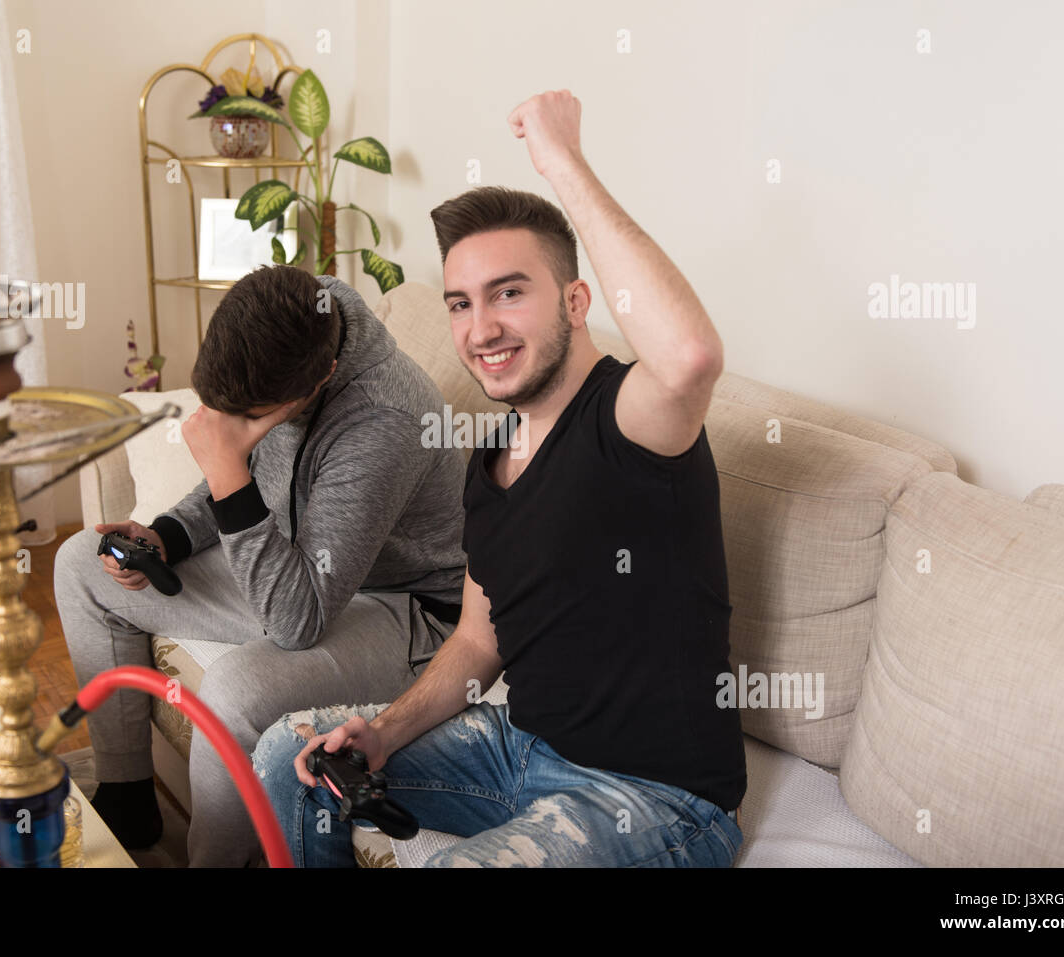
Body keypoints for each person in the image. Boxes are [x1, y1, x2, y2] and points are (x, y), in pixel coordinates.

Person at [252, 90, 747, 867]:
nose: (480, 329)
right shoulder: (487, 458)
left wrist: (562, 161)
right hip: (518, 749)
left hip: (654, 796)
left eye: (509, 293)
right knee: (293, 753)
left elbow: (690, 355)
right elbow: (479, 640)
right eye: (460, 303)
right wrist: (382, 733)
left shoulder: (630, 416)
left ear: (577, 301)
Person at [53, 265, 467, 866]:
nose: (239, 427)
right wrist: (165, 535)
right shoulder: (294, 326)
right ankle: (127, 798)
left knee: (236, 689)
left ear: (321, 378)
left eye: (252, 417)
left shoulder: (384, 421)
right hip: (300, 568)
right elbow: (241, 476)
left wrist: (228, 471)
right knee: (78, 565)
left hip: (406, 610)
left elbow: (296, 622)